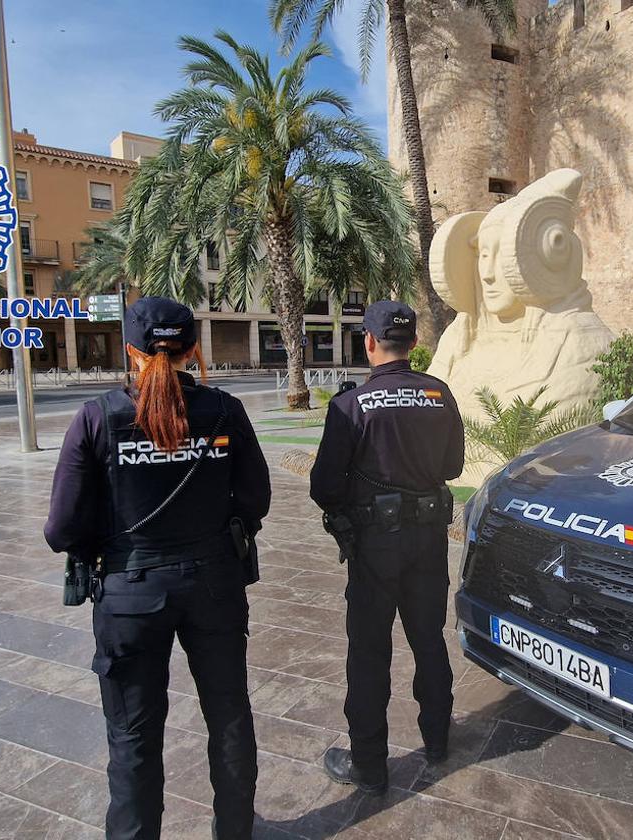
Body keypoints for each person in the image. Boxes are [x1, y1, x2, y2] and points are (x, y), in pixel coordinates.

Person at [44, 297, 270, 840]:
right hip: (215, 584)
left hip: (129, 595)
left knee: (133, 736)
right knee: (230, 718)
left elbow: (61, 529)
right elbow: (256, 499)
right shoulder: (223, 410)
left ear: (129, 350)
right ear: (194, 350)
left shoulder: (98, 417)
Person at [309, 301, 465, 794]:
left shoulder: (350, 405)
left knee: (369, 653)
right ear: (413, 344)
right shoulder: (440, 394)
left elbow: (324, 486)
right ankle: (438, 741)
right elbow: (455, 467)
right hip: (427, 542)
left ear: (369, 342)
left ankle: (369, 765)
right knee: (429, 640)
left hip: (375, 546)